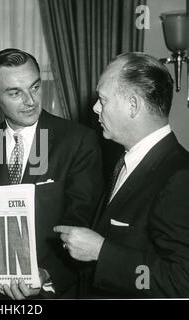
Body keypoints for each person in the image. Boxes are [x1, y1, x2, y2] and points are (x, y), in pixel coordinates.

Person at [0, 48, 104, 299]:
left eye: (35, 87)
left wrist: (45, 272)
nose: (30, 101)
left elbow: (83, 221)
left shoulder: (78, 141)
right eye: (15, 93)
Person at [55, 52, 189, 298]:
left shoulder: (180, 176)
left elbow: (181, 282)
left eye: (103, 100)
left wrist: (101, 252)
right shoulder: (125, 162)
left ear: (133, 105)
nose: (95, 108)